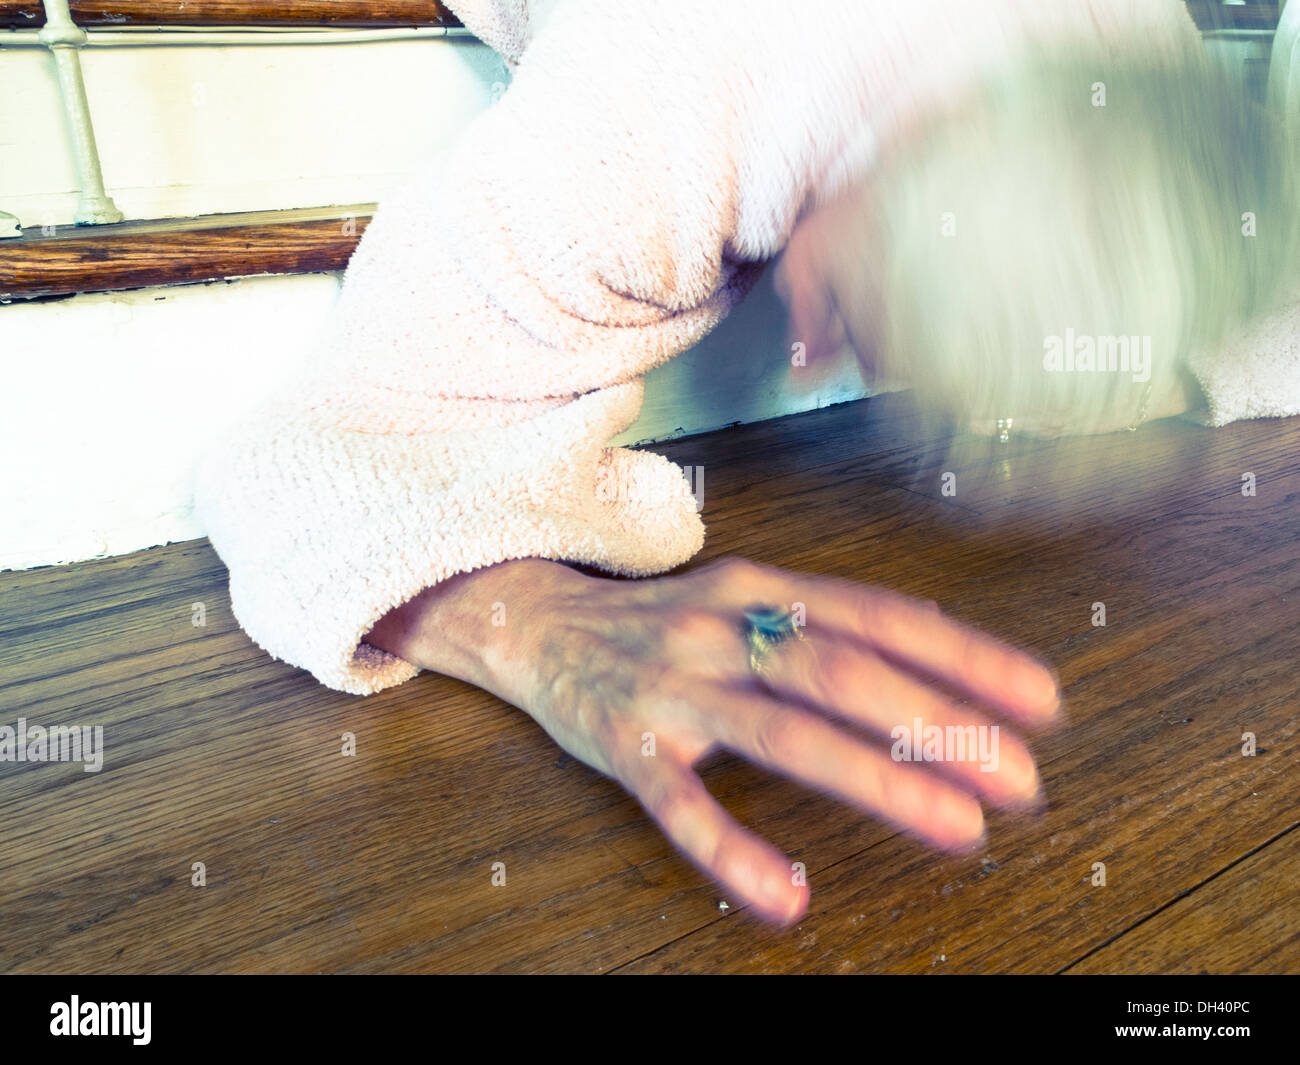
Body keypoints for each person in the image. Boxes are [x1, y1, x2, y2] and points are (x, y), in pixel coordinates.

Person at [194, 0, 1300, 927]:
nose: (804, 352)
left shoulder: (1140, 44)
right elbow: (301, 462)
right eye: (863, 322)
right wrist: (528, 624)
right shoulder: (646, 120)